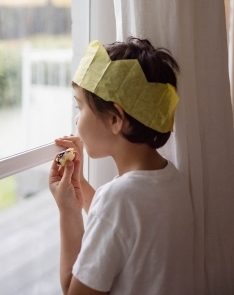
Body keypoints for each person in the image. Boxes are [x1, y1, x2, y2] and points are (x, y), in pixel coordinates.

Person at [49, 37, 194, 295]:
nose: (76, 118)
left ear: (116, 119)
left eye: (80, 107)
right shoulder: (174, 179)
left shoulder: (116, 200)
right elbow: (124, 226)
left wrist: (68, 210)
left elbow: (73, 289)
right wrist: (79, 184)